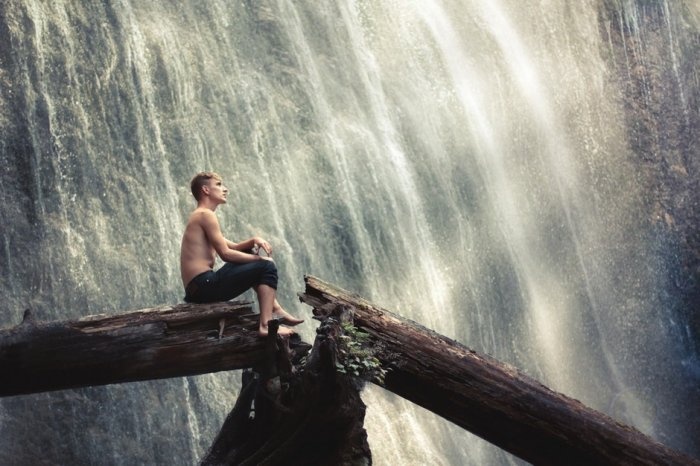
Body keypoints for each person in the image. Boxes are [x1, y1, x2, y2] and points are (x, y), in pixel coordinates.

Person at [180, 171, 303, 336]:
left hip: (198, 288)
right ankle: (266, 325)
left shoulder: (201, 215)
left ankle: (275, 308)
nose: (225, 189)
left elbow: (235, 247)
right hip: (204, 286)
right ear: (206, 190)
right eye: (219, 184)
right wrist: (262, 260)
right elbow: (225, 254)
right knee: (267, 267)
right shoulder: (205, 215)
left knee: (250, 254)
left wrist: (254, 240)